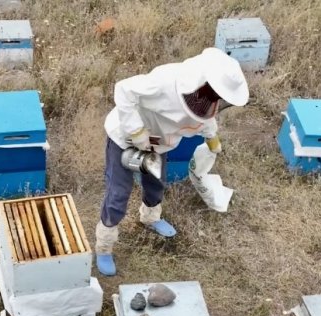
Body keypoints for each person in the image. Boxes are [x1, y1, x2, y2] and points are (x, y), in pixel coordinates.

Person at [95, 47, 249, 276]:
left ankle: (150, 218)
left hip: (158, 144)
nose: (216, 103)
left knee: (156, 183)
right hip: (125, 139)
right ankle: (104, 246)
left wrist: (212, 137)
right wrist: (136, 131)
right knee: (118, 193)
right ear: (202, 83)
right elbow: (123, 89)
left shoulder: (206, 98)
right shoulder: (164, 81)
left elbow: (205, 118)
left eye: (220, 100)